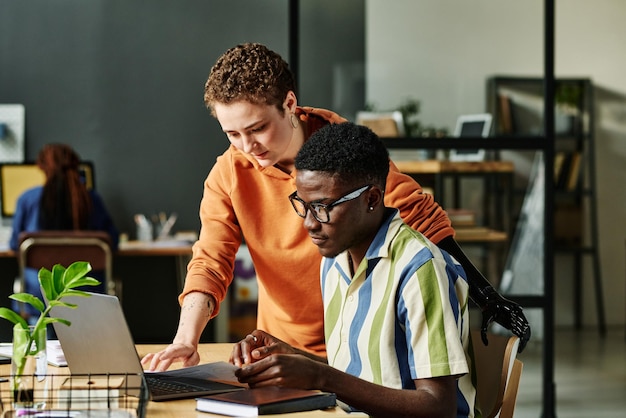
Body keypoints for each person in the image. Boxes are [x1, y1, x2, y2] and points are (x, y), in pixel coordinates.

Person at [142, 42, 528, 372]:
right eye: (232, 133)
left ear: (289, 104)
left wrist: (487, 295)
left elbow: (419, 216)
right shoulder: (228, 172)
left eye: (257, 128)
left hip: (363, 349)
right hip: (282, 349)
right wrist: (184, 339)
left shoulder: (343, 149)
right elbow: (211, 259)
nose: (247, 146)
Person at [230, 122, 477, 418]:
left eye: (323, 207)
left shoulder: (420, 269)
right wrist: (291, 359)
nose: (309, 222)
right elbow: (362, 376)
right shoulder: (334, 261)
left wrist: (321, 376)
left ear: (371, 199)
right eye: (303, 205)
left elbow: (439, 407)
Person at [9, 143, 119, 320]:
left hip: (39, 292)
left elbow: (15, 245)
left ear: (41, 167)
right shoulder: (91, 199)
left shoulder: (27, 199)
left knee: (41, 341)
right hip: (86, 291)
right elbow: (112, 242)